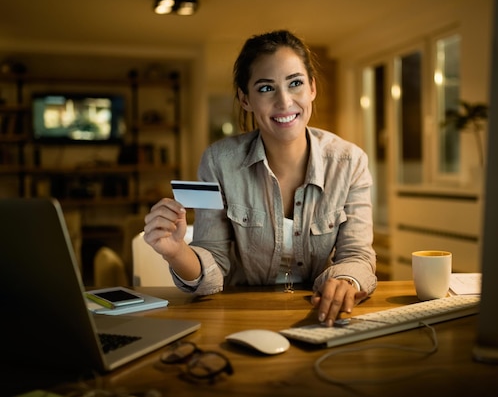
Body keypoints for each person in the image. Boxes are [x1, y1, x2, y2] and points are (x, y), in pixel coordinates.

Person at [143, 30, 377, 326]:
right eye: (266, 88)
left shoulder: (349, 161)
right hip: (242, 316)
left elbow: (357, 255)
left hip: (320, 315)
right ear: (245, 99)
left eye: (295, 83)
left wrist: (346, 280)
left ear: (312, 88)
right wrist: (176, 252)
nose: (284, 101)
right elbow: (212, 269)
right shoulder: (218, 161)